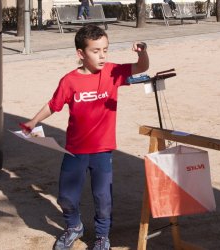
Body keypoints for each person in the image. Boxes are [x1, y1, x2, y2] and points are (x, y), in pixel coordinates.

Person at [23, 24, 149, 250]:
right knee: (66, 197)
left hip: (102, 150)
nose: (102, 56)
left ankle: (102, 236)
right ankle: (74, 227)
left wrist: (143, 52)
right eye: (95, 51)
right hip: (74, 150)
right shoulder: (69, 81)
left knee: (103, 198)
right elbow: (54, 105)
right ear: (80, 54)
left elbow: (141, 66)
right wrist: (33, 121)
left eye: (105, 50)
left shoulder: (113, 72)